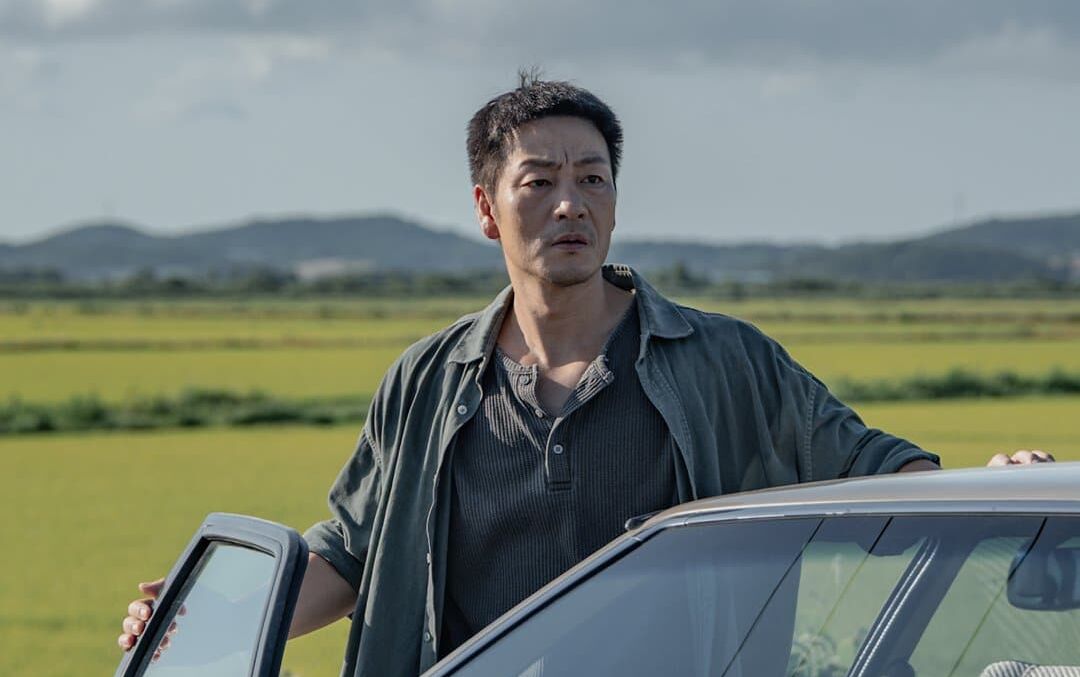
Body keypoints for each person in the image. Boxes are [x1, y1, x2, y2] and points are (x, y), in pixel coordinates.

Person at [117, 73, 1055, 676]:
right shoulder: (429, 378)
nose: (571, 202)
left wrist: (1000, 489)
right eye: (540, 181)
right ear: (487, 208)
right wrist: (209, 618)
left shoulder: (724, 360)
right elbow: (353, 556)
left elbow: (873, 471)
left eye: (593, 178)